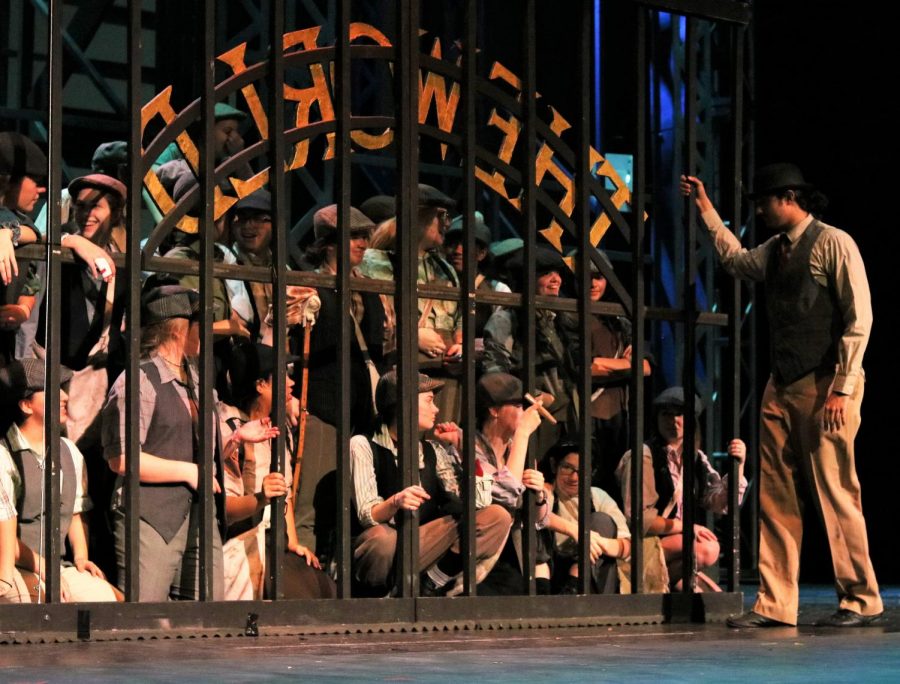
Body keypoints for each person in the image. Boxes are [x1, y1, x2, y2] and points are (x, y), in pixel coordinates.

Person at [681, 164, 883, 627]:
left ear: (789, 198)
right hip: (783, 384)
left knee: (835, 491)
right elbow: (736, 261)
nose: (760, 209)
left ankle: (861, 598)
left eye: (764, 201)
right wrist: (707, 210)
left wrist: (843, 387)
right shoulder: (775, 250)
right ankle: (776, 605)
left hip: (826, 382)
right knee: (776, 497)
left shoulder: (834, 243)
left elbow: (859, 318)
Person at [101, 284, 225, 601]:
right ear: (179, 330)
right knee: (148, 616)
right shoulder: (140, 380)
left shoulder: (199, 381)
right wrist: (188, 472)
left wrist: (237, 437)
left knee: (207, 617)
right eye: (201, 324)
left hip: (200, 515)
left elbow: (198, 450)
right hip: (152, 516)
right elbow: (122, 459)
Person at [350, 370, 511, 596]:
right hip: (384, 549)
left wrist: (464, 450)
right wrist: (396, 501)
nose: (436, 409)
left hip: (421, 545)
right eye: (429, 401)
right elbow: (368, 514)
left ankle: (433, 582)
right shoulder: (363, 445)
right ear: (403, 403)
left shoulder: (433, 451)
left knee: (497, 516)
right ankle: (377, 600)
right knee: (382, 540)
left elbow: (478, 502)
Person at [292, 204, 385, 562]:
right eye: (353, 236)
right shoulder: (308, 285)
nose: (362, 242)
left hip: (365, 412)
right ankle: (303, 580)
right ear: (329, 243)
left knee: (357, 501)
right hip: (324, 405)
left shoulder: (369, 290)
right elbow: (286, 344)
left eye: (364, 236)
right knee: (313, 503)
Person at [219, 343, 335, 600]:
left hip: (276, 541)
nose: (291, 382)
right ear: (260, 385)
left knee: (323, 588)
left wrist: (292, 543)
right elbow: (223, 506)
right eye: (283, 374)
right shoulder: (229, 429)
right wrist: (259, 498)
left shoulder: (277, 429)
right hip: (244, 542)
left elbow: (286, 496)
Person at [0, 358, 120, 602]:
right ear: (26, 405)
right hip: (13, 566)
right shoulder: (4, 455)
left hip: (58, 566)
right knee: (49, 605)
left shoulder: (69, 451)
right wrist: (45, 568)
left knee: (113, 604)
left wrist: (81, 557)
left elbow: (75, 510)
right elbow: (5, 533)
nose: (64, 396)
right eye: (52, 390)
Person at [615, 387, 746, 592]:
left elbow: (721, 504)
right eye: (666, 414)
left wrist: (738, 467)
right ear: (656, 419)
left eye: (680, 414)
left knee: (710, 596)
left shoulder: (695, 458)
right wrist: (687, 527)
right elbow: (641, 519)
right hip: (638, 545)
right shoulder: (643, 456)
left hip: (673, 549)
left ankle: (663, 583)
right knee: (709, 549)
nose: (673, 420)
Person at [359, 184, 463, 420]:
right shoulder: (373, 262)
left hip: (445, 375)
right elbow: (361, 318)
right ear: (419, 216)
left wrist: (459, 345)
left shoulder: (445, 269)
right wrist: (411, 335)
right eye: (442, 216)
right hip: (399, 371)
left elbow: (459, 318)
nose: (447, 223)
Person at [481, 245, 580, 459]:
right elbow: (495, 372)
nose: (556, 280)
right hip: (532, 415)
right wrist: (534, 396)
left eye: (557, 273)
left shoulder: (559, 318)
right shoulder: (506, 318)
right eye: (545, 274)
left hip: (566, 415)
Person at [471, 372, 549, 595]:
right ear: (493, 411)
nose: (523, 413)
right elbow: (504, 498)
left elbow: (538, 520)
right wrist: (523, 433)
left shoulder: (519, 449)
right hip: (481, 559)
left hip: (515, 552)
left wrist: (540, 497)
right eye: (516, 405)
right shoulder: (468, 448)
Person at [587, 251, 651, 500]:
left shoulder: (618, 319)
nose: (593, 283)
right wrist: (624, 363)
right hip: (588, 413)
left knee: (615, 485)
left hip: (619, 417)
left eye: (599, 277)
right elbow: (584, 368)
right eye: (588, 276)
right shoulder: (568, 313)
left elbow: (644, 367)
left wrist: (605, 363)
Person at [540, 440, 631, 594]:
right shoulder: (546, 493)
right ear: (554, 465)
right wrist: (576, 532)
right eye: (567, 468)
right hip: (555, 580)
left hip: (592, 581)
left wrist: (595, 541)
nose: (574, 477)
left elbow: (628, 547)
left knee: (601, 521)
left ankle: (575, 581)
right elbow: (539, 517)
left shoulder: (597, 496)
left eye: (581, 470)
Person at [0, 132, 46, 361]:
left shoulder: (18, 223)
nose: (42, 190)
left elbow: (31, 286)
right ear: (9, 180)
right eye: (35, 181)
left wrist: (22, 310)